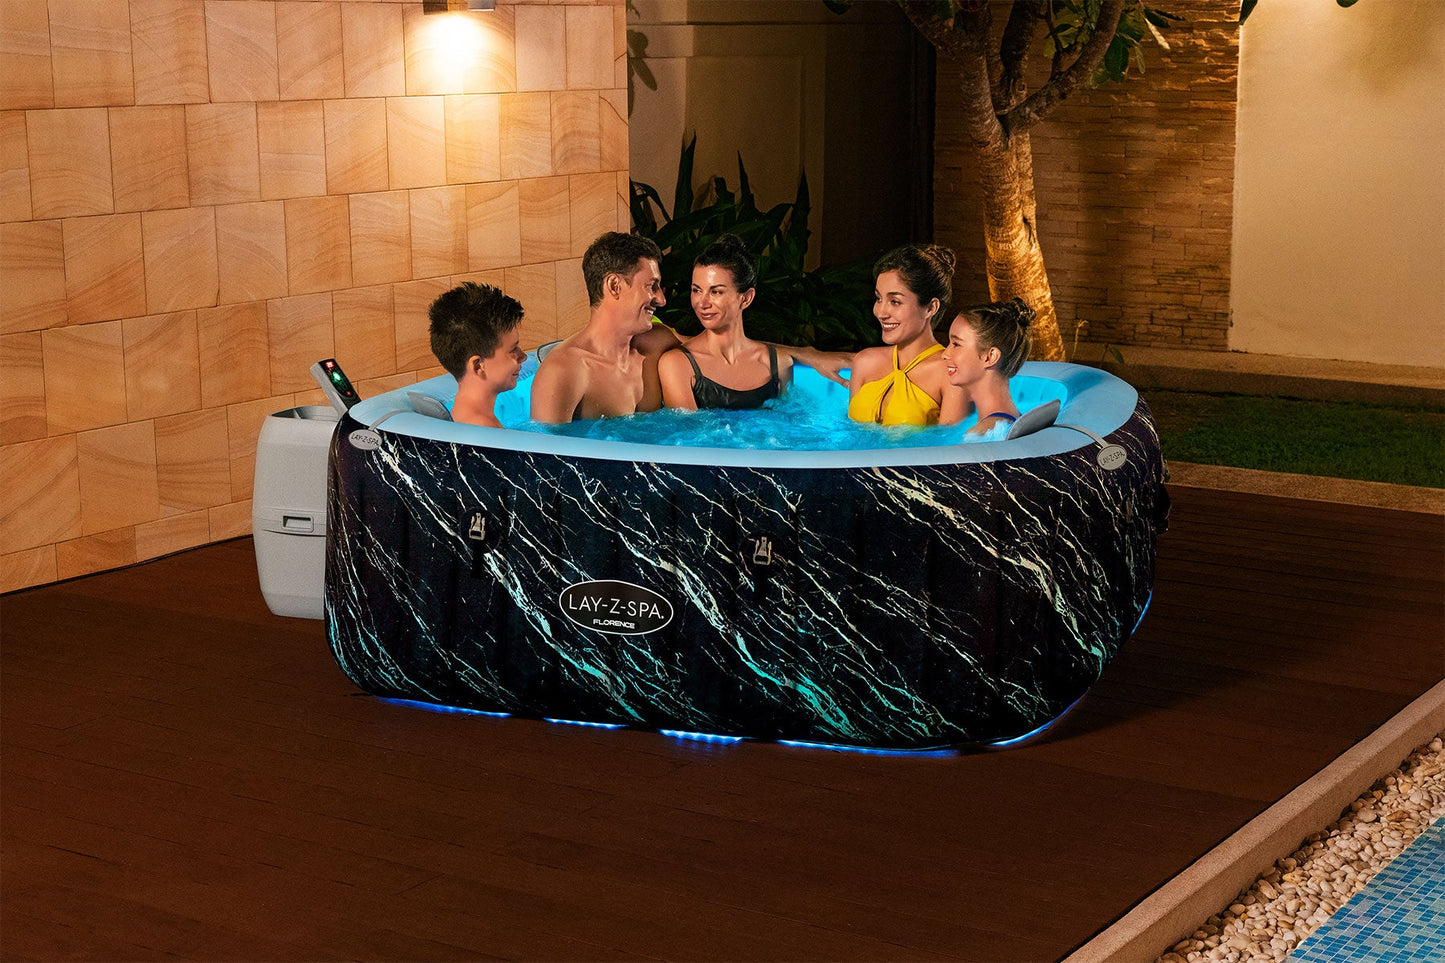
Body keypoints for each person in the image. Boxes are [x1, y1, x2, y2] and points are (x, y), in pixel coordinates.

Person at [532, 231, 851, 424]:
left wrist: (808, 355)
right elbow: (543, 473)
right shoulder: (564, 373)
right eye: (651, 286)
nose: (661, 299)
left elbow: (720, 347)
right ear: (614, 286)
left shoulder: (655, 343)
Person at [658, 234, 792, 410]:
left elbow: (788, 429)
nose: (702, 303)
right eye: (696, 290)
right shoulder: (677, 364)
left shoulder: (779, 364)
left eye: (716, 292)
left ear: (746, 298)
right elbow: (689, 436)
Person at [847, 244, 969, 427]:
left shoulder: (952, 374)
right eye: (879, 298)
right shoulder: (865, 362)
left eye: (895, 302)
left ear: (930, 308)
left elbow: (950, 450)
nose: (880, 312)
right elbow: (850, 435)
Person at [428, 281, 527, 428]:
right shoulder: (490, 435)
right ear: (478, 365)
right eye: (513, 350)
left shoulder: (461, 418)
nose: (523, 357)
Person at [942, 298, 1035, 438]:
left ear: (990, 357)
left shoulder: (982, 434)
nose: (945, 354)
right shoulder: (1008, 422)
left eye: (956, 344)